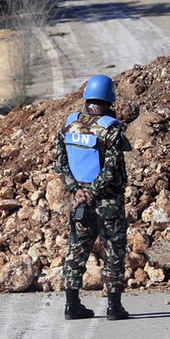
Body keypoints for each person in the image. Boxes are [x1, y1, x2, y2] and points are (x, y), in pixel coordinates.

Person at [53, 74, 131, 321]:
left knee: (77, 248)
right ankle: (113, 308)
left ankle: (72, 305)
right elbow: (110, 168)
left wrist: (76, 190)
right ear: (109, 99)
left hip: (79, 201)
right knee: (114, 250)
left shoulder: (69, 124)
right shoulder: (110, 129)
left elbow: (60, 161)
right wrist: (92, 192)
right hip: (107, 201)